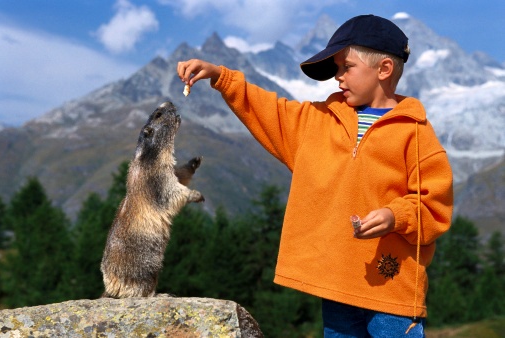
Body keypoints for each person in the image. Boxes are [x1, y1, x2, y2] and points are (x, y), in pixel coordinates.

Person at [177, 14, 453, 337]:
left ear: (384, 70)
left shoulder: (417, 134)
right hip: (334, 288)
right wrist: (221, 77)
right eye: (337, 68)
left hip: (393, 294)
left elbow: (435, 207)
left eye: (345, 67)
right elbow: (270, 110)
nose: (338, 77)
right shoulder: (317, 121)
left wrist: (396, 216)